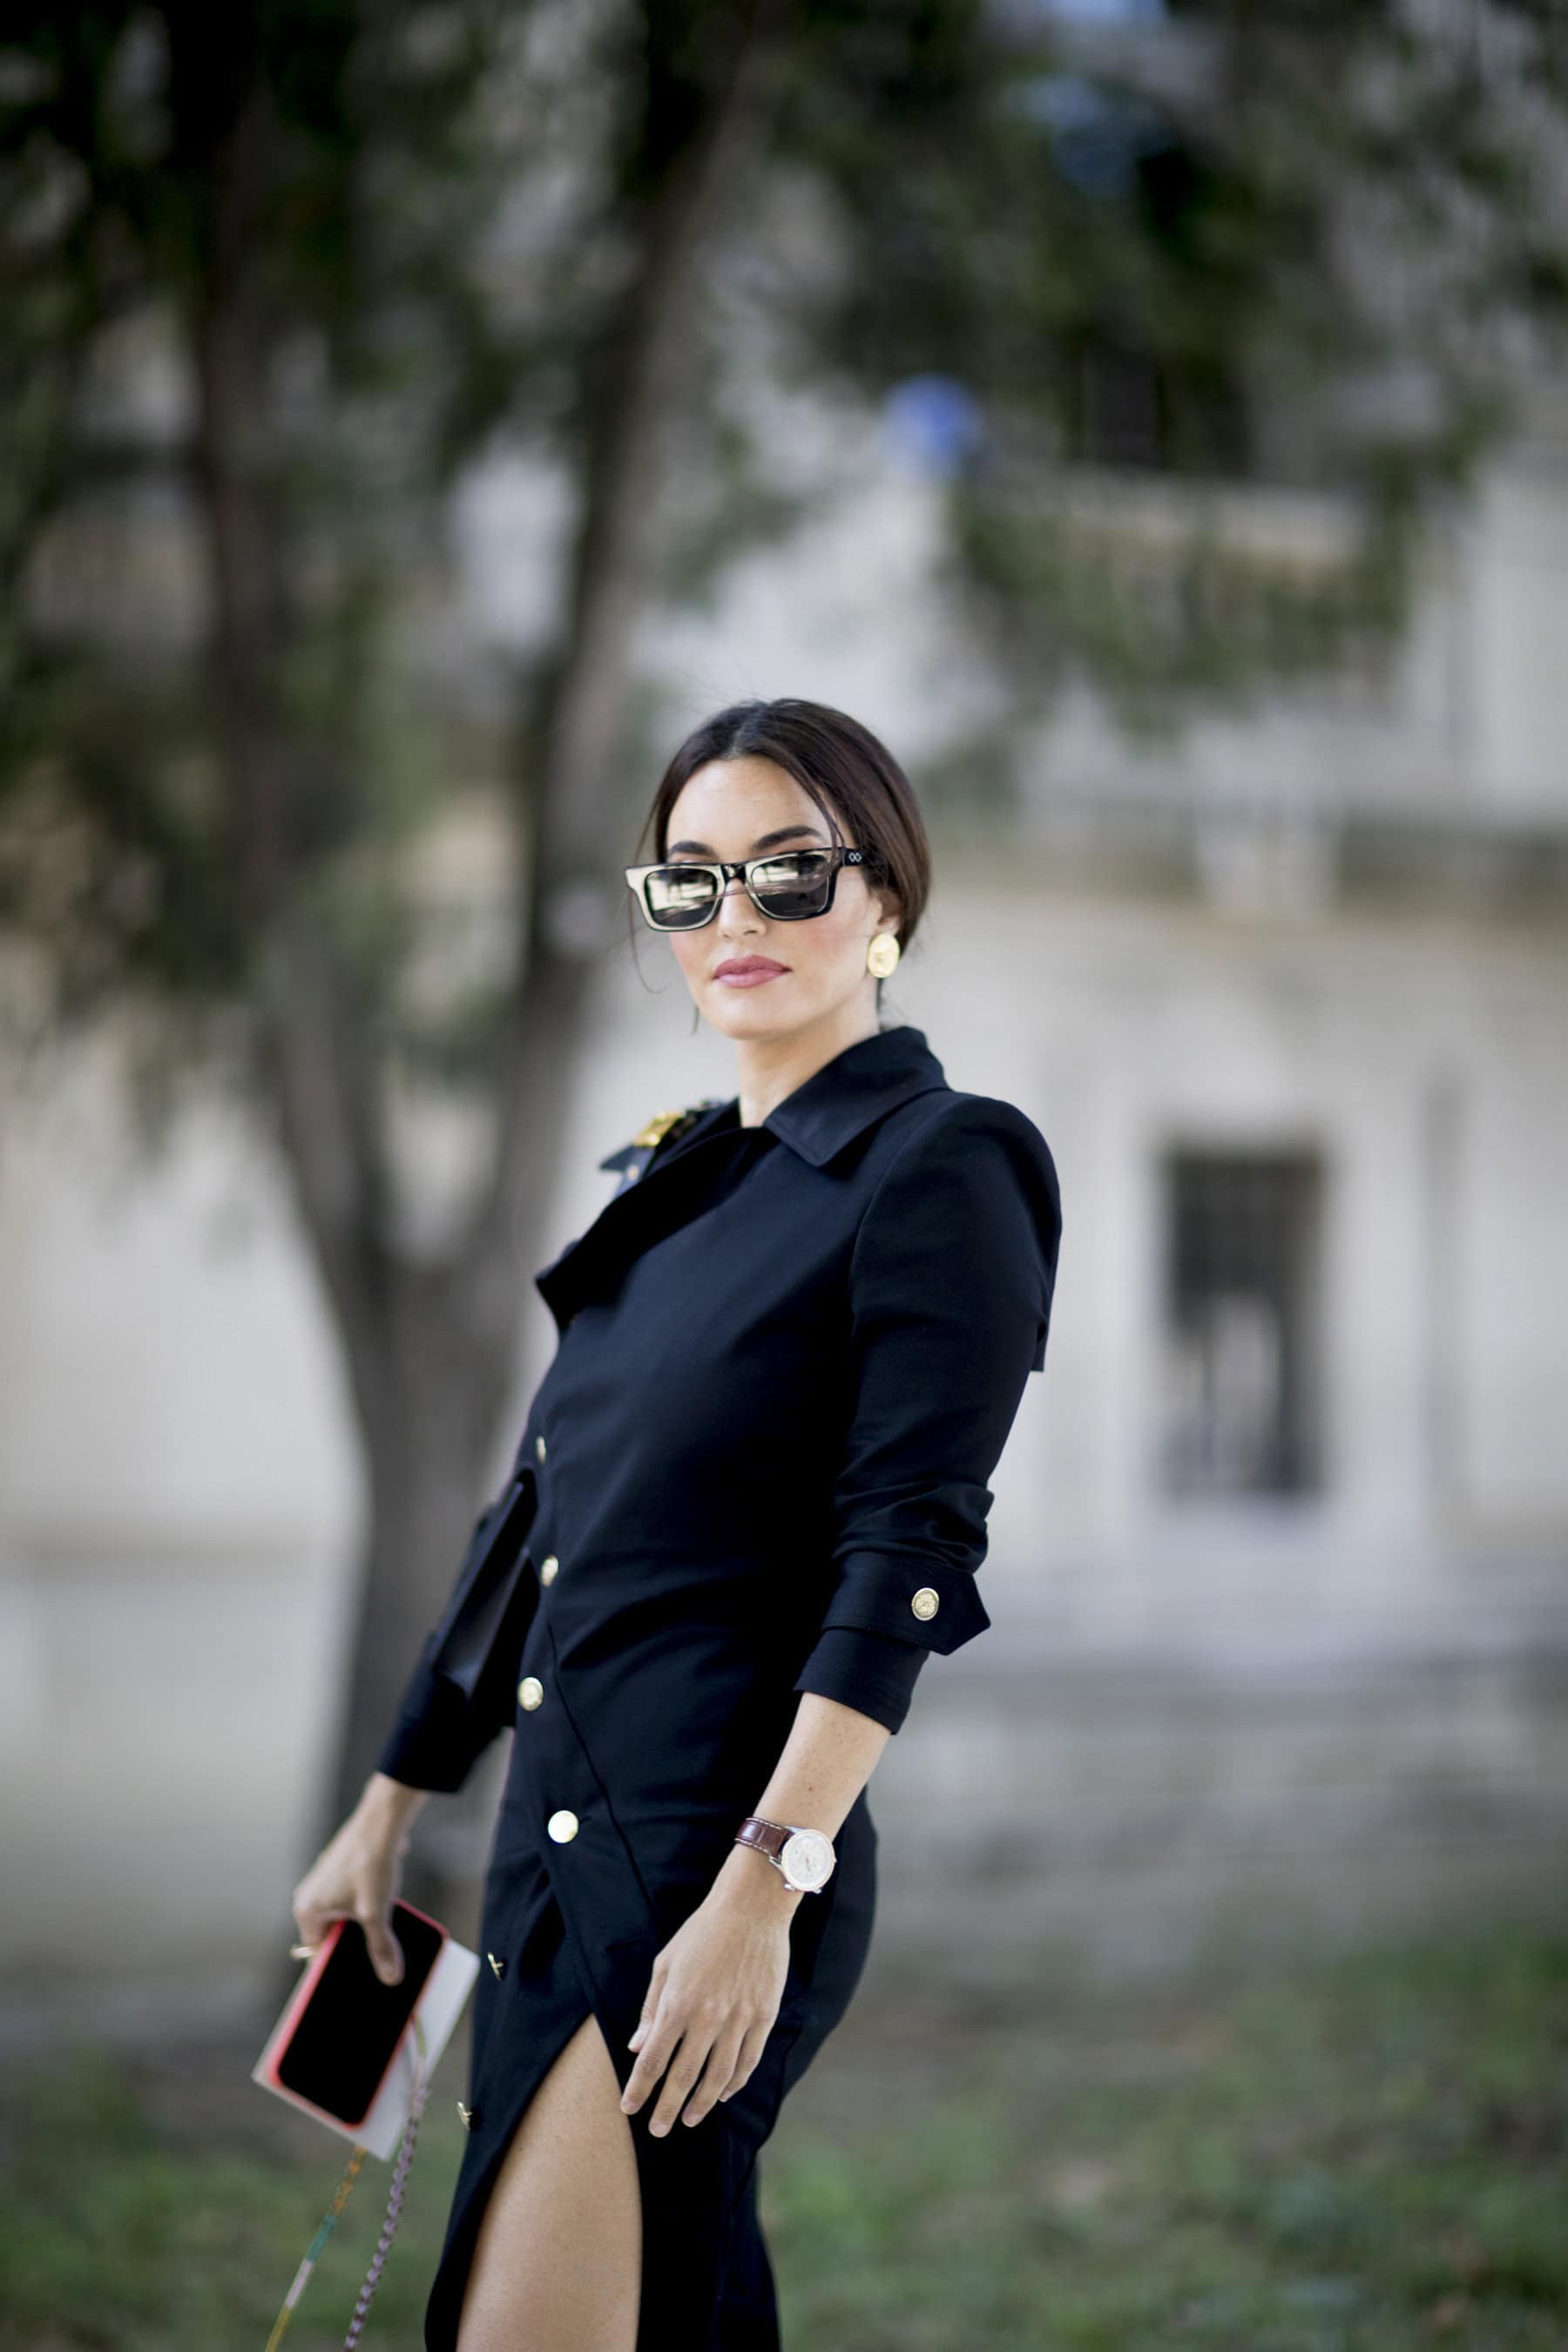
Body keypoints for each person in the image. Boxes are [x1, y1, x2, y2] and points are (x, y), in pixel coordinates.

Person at [290, 697, 1063, 2352]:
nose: (736, 917)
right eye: (690, 880)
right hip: (550, 1839)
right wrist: (391, 1799)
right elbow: (536, 1521)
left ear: (887, 898)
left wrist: (766, 1887)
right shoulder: (676, 1178)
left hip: (709, 1858)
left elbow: (906, 1559)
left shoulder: (943, 1166)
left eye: (791, 872)